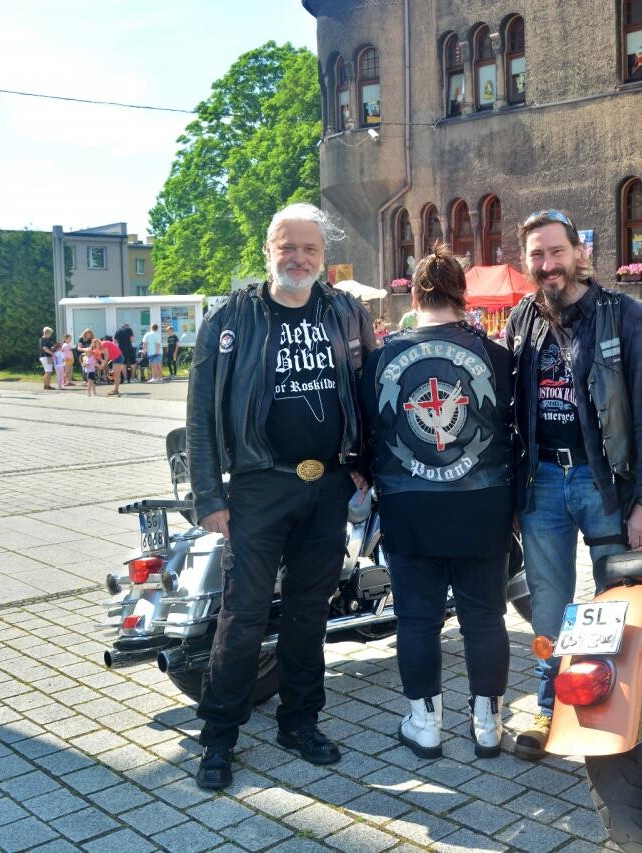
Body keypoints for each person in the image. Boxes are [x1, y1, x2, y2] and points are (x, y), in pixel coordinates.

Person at [187, 202, 374, 790]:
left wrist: (364, 463)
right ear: (268, 250)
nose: (298, 258)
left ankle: (299, 721)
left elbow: (368, 391)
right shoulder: (231, 319)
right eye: (287, 247)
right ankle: (219, 737)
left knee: (308, 612)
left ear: (323, 255)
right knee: (242, 616)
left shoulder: (345, 313)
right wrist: (207, 496)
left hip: (328, 485)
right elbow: (201, 413)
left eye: (309, 248)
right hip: (259, 485)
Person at [505, 209, 642, 761]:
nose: (548, 264)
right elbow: (510, 413)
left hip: (605, 483)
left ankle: (619, 710)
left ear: (579, 253)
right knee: (548, 603)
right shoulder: (522, 318)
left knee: (615, 602)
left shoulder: (623, 315)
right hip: (542, 482)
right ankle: (547, 706)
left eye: (556, 251)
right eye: (537, 255)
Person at [359, 244, 513, 761]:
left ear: (413, 296)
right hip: (483, 508)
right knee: (484, 619)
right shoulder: (498, 359)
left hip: (410, 510)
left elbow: (367, 432)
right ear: (462, 295)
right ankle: (488, 726)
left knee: (418, 621)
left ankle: (425, 725)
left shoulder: (380, 360)